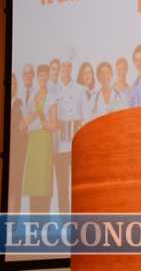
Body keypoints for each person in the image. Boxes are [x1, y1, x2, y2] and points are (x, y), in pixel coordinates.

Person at [22, 64, 57, 212]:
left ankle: (43, 219)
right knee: (34, 182)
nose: (43, 77)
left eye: (45, 75)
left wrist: (41, 122)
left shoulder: (51, 97)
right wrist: (31, 118)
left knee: (43, 181)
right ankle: (33, 220)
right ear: (37, 77)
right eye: (40, 75)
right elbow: (23, 124)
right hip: (33, 142)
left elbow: (54, 125)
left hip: (44, 141)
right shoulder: (33, 98)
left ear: (48, 77)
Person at [52, 60, 87, 212]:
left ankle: (79, 216)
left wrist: (78, 127)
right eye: (63, 66)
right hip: (59, 146)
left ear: (71, 68)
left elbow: (86, 115)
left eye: (68, 66)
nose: (65, 68)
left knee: (78, 185)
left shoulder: (80, 89)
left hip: (77, 144)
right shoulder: (53, 90)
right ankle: (64, 219)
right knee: (62, 186)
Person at [8, 72, 27, 212]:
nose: (13, 87)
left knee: (16, 185)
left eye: (14, 84)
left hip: (18, 151)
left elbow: (24, 128)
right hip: (7, 151)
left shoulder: (20, 104)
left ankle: (14, 216)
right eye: (11, 84)